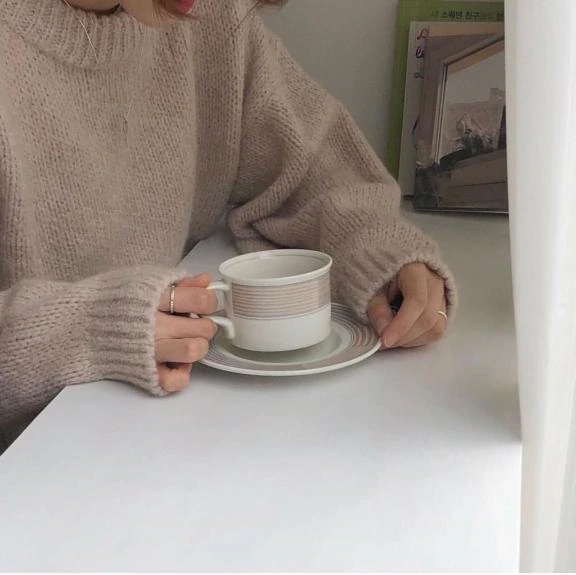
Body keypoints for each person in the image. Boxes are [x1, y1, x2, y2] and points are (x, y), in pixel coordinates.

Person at [0, 0, 457, 451]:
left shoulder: (207, 17)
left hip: (163, 439)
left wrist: (379, 248)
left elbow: (312, 163)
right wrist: (86, 329)